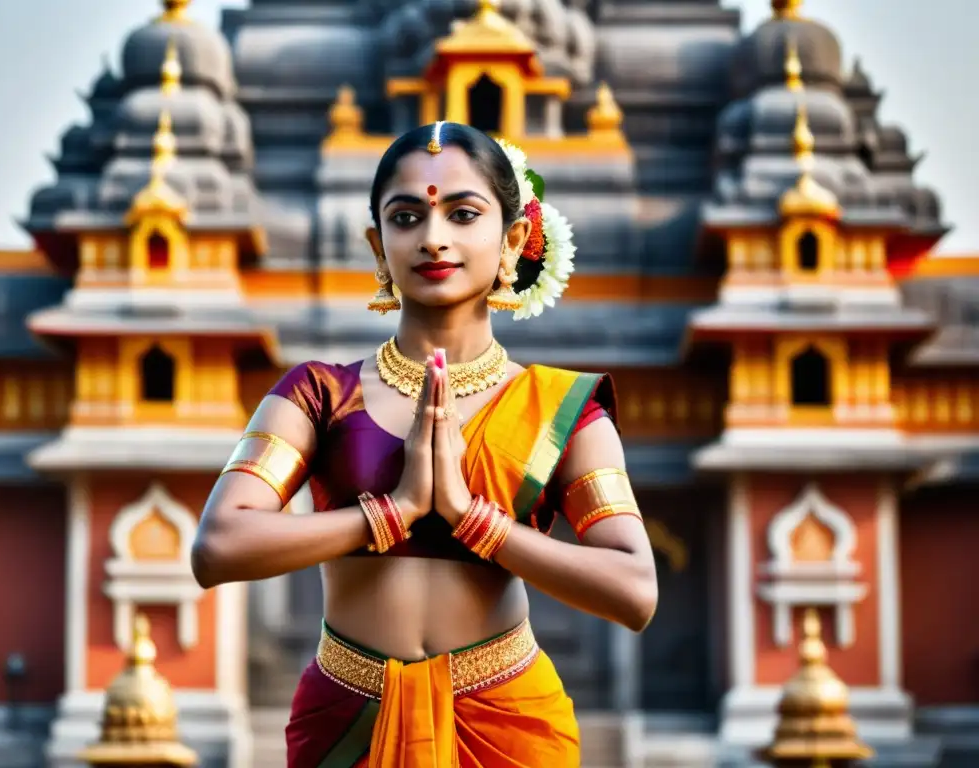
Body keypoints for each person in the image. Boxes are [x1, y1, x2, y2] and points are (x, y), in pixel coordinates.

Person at [191, 121, 659, 768]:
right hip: (348, 717)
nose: (433, 237)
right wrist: (394, 512)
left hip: (508, 720)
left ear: (514, 238)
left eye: (463, 214)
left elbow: (635, 590)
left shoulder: (561, 410)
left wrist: (475, 521)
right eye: (406, 216)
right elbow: (216, 548)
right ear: (379, 245)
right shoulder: (319, 395)